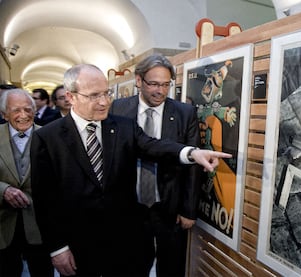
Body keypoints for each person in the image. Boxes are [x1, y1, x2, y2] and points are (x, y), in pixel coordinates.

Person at [30, 64, 230, 277]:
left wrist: (191, 153)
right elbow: (45, 200)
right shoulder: (48, 138)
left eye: (106, 93)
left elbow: (154, 146)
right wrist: (58, 248)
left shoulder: (123, 126)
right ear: (71, 97)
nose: (104, 101)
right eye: (94, 95)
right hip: (78, 243)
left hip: (126, 242)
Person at [110, 54, 201, 277]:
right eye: (153, 84)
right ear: (139, 81)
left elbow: (193, 165)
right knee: (131, 264)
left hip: (168, 205)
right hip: (130, 205)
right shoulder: (117, 109)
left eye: (165, 84)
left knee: (171, 266)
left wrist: (188, 210)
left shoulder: (184, 113)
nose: (160, 91)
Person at [0, 89, 54, 277]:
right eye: (16, 110)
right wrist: (3, 190)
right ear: (4, 114)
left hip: (41, 226)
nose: (23, 115)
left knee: (43, 271)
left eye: (28, 109)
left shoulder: (50, 137)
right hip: (3, 225)